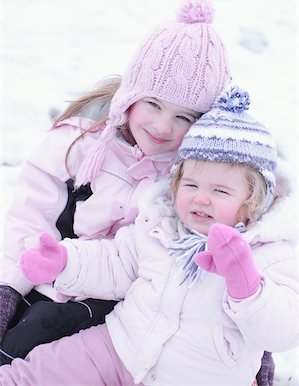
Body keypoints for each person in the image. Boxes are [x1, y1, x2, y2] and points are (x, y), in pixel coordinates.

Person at [1, 86, 297, 386]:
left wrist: (246, 286)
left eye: (220, 191)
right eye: (191, 185)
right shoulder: (160, 225)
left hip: (199, 376)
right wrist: (64, 261)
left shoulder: (272, 252)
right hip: (119, 347)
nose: (201, 199)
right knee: (41, 370)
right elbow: (114, 261)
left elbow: (284, 330)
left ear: (253, 201)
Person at [0, 0, 232, 363]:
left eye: (183, 117)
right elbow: (30, 214)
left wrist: (248, 349)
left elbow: (221, 249)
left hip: (120, 305)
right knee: (18, 344)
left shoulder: (190, 176)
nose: (162, 126)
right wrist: (10, 285)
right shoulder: (79, 142)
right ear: (131, 97)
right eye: (153, 104)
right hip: (45, 276)